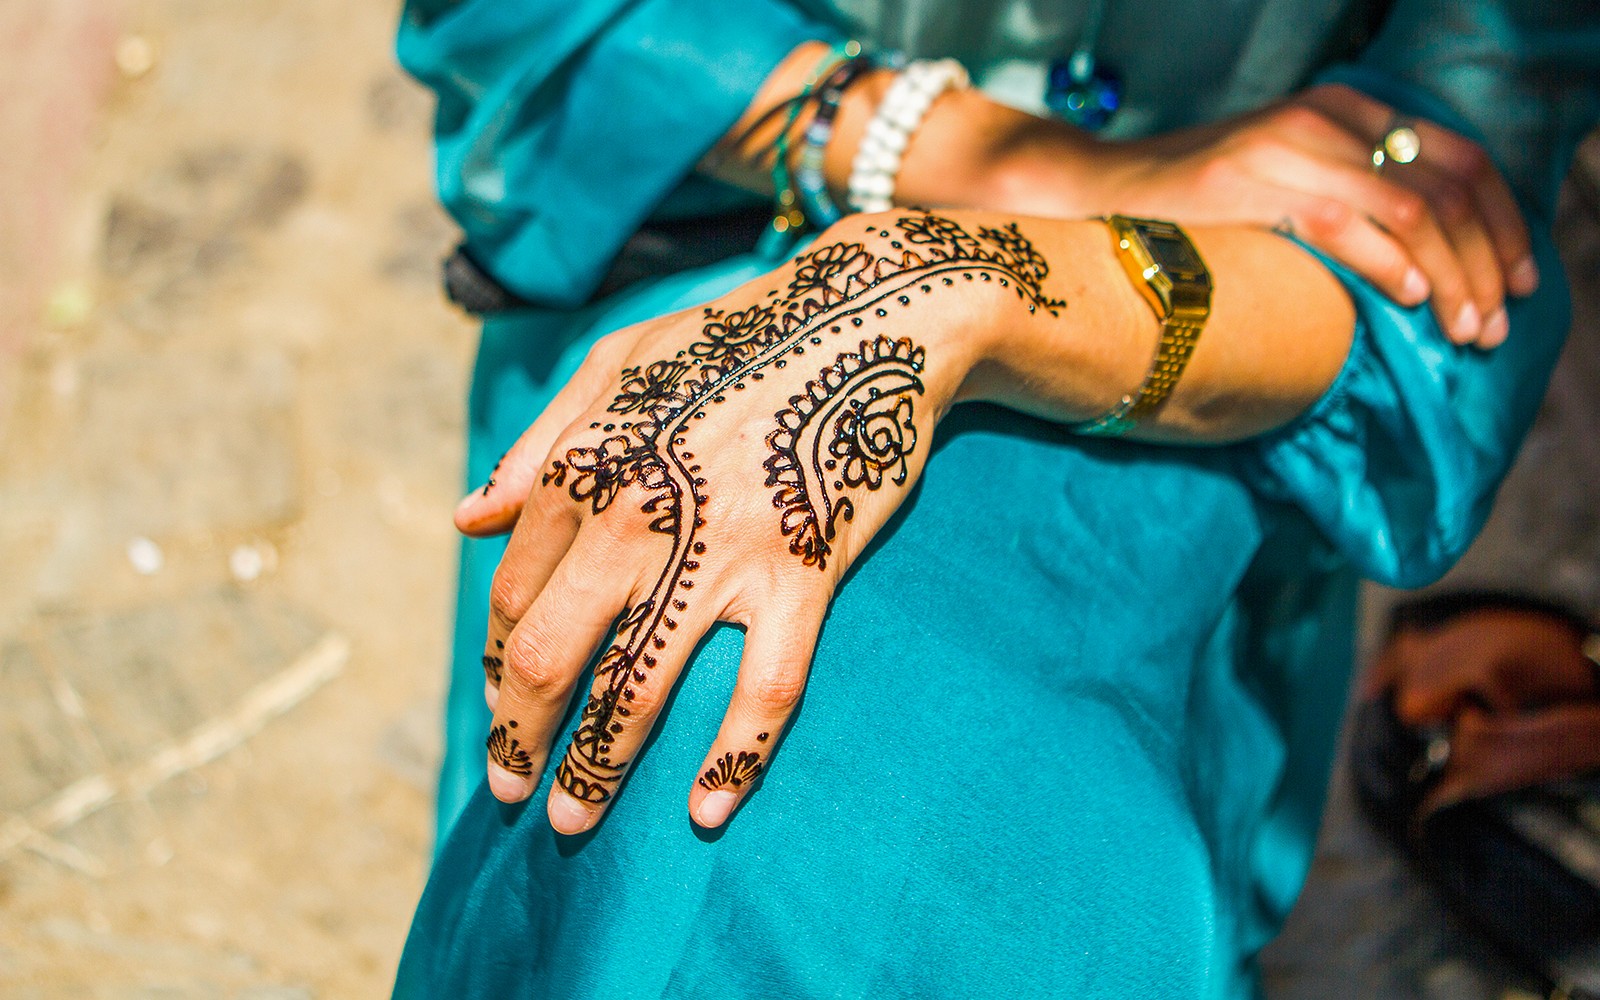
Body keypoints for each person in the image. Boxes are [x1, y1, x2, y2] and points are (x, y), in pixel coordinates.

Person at [391, 1, 1600, 995]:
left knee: (922, 825)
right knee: (683, 700)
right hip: (715, 202)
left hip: (1212, 342)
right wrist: (963, 159)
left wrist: (955, 276)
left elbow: (1444, 241)